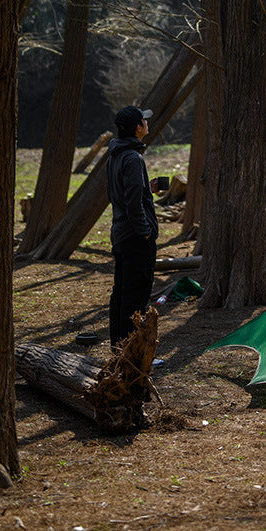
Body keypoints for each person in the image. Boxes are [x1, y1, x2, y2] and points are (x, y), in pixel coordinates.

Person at [106, 105, 159, 349]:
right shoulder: (134, 158)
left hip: (120, 235)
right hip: (136, 238)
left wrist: (150, 188)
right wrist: (145, 230)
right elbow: (133, 201)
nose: (147, 124)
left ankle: (119, 349)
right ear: (138, 128)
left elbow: (122, 193)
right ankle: (133, 354)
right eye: (144, 121)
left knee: (120, 294)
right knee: (136, 297)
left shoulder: (115, 156)